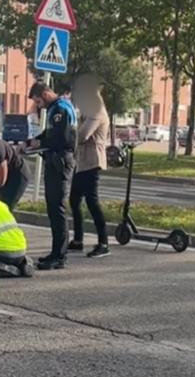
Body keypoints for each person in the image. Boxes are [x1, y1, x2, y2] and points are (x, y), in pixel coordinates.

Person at [27, 82, 77, 270]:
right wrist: (33, 142)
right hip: (56, 161)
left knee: (57, 209)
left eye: (39, 101)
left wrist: (38, 144)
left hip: (60, 161)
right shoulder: (56, 108)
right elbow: (49, 134)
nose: (39, 105)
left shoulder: (60, 110)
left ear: (46, 93)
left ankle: (59, 255)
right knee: (53, 208)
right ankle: (56, 252)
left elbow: (59, 138)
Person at [69, 74, 110, 257]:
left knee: (92, 202)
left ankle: (104, 243)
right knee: (74, 200)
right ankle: (78, 239)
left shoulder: (96, 112)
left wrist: (71, 133)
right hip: (82, 162)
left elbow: (83, 135)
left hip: (92, 162)